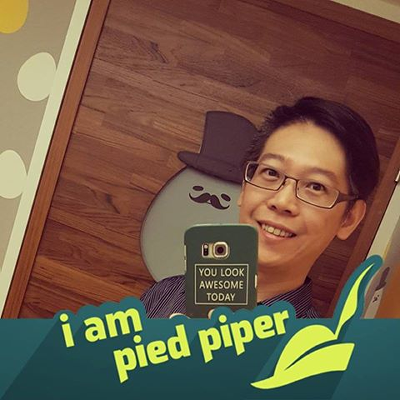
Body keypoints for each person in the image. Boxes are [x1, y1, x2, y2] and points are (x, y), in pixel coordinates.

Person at [140, 97, 380, 318]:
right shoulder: (165, 293)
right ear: (244, 188)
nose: (282, 201)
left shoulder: (313, 349)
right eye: (271, 172)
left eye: (316, 186)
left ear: (349, 219)